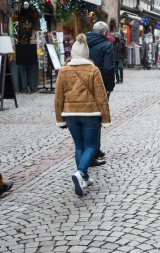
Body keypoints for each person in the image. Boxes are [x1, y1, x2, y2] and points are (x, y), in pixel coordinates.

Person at [54, 34, 111, 197]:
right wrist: (106, 118)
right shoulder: (93, 70)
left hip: (70, 114)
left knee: (79, 146)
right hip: (90, 113)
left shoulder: (64, 71)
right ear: (86, 54)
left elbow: (58, 97)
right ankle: (80, 172)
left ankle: (84, 178)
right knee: (91, 146)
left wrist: (60, 118)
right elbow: (101, 96)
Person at [86, 21, 114, 163]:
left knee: (87, 118)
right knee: (97, 119)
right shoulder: (106, 45)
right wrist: (109, 87)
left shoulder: (83, 43)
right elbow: (108, 68)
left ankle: (93, 149)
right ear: (104, 32)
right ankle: (94, 152)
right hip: (99, 86)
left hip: (82, 85)